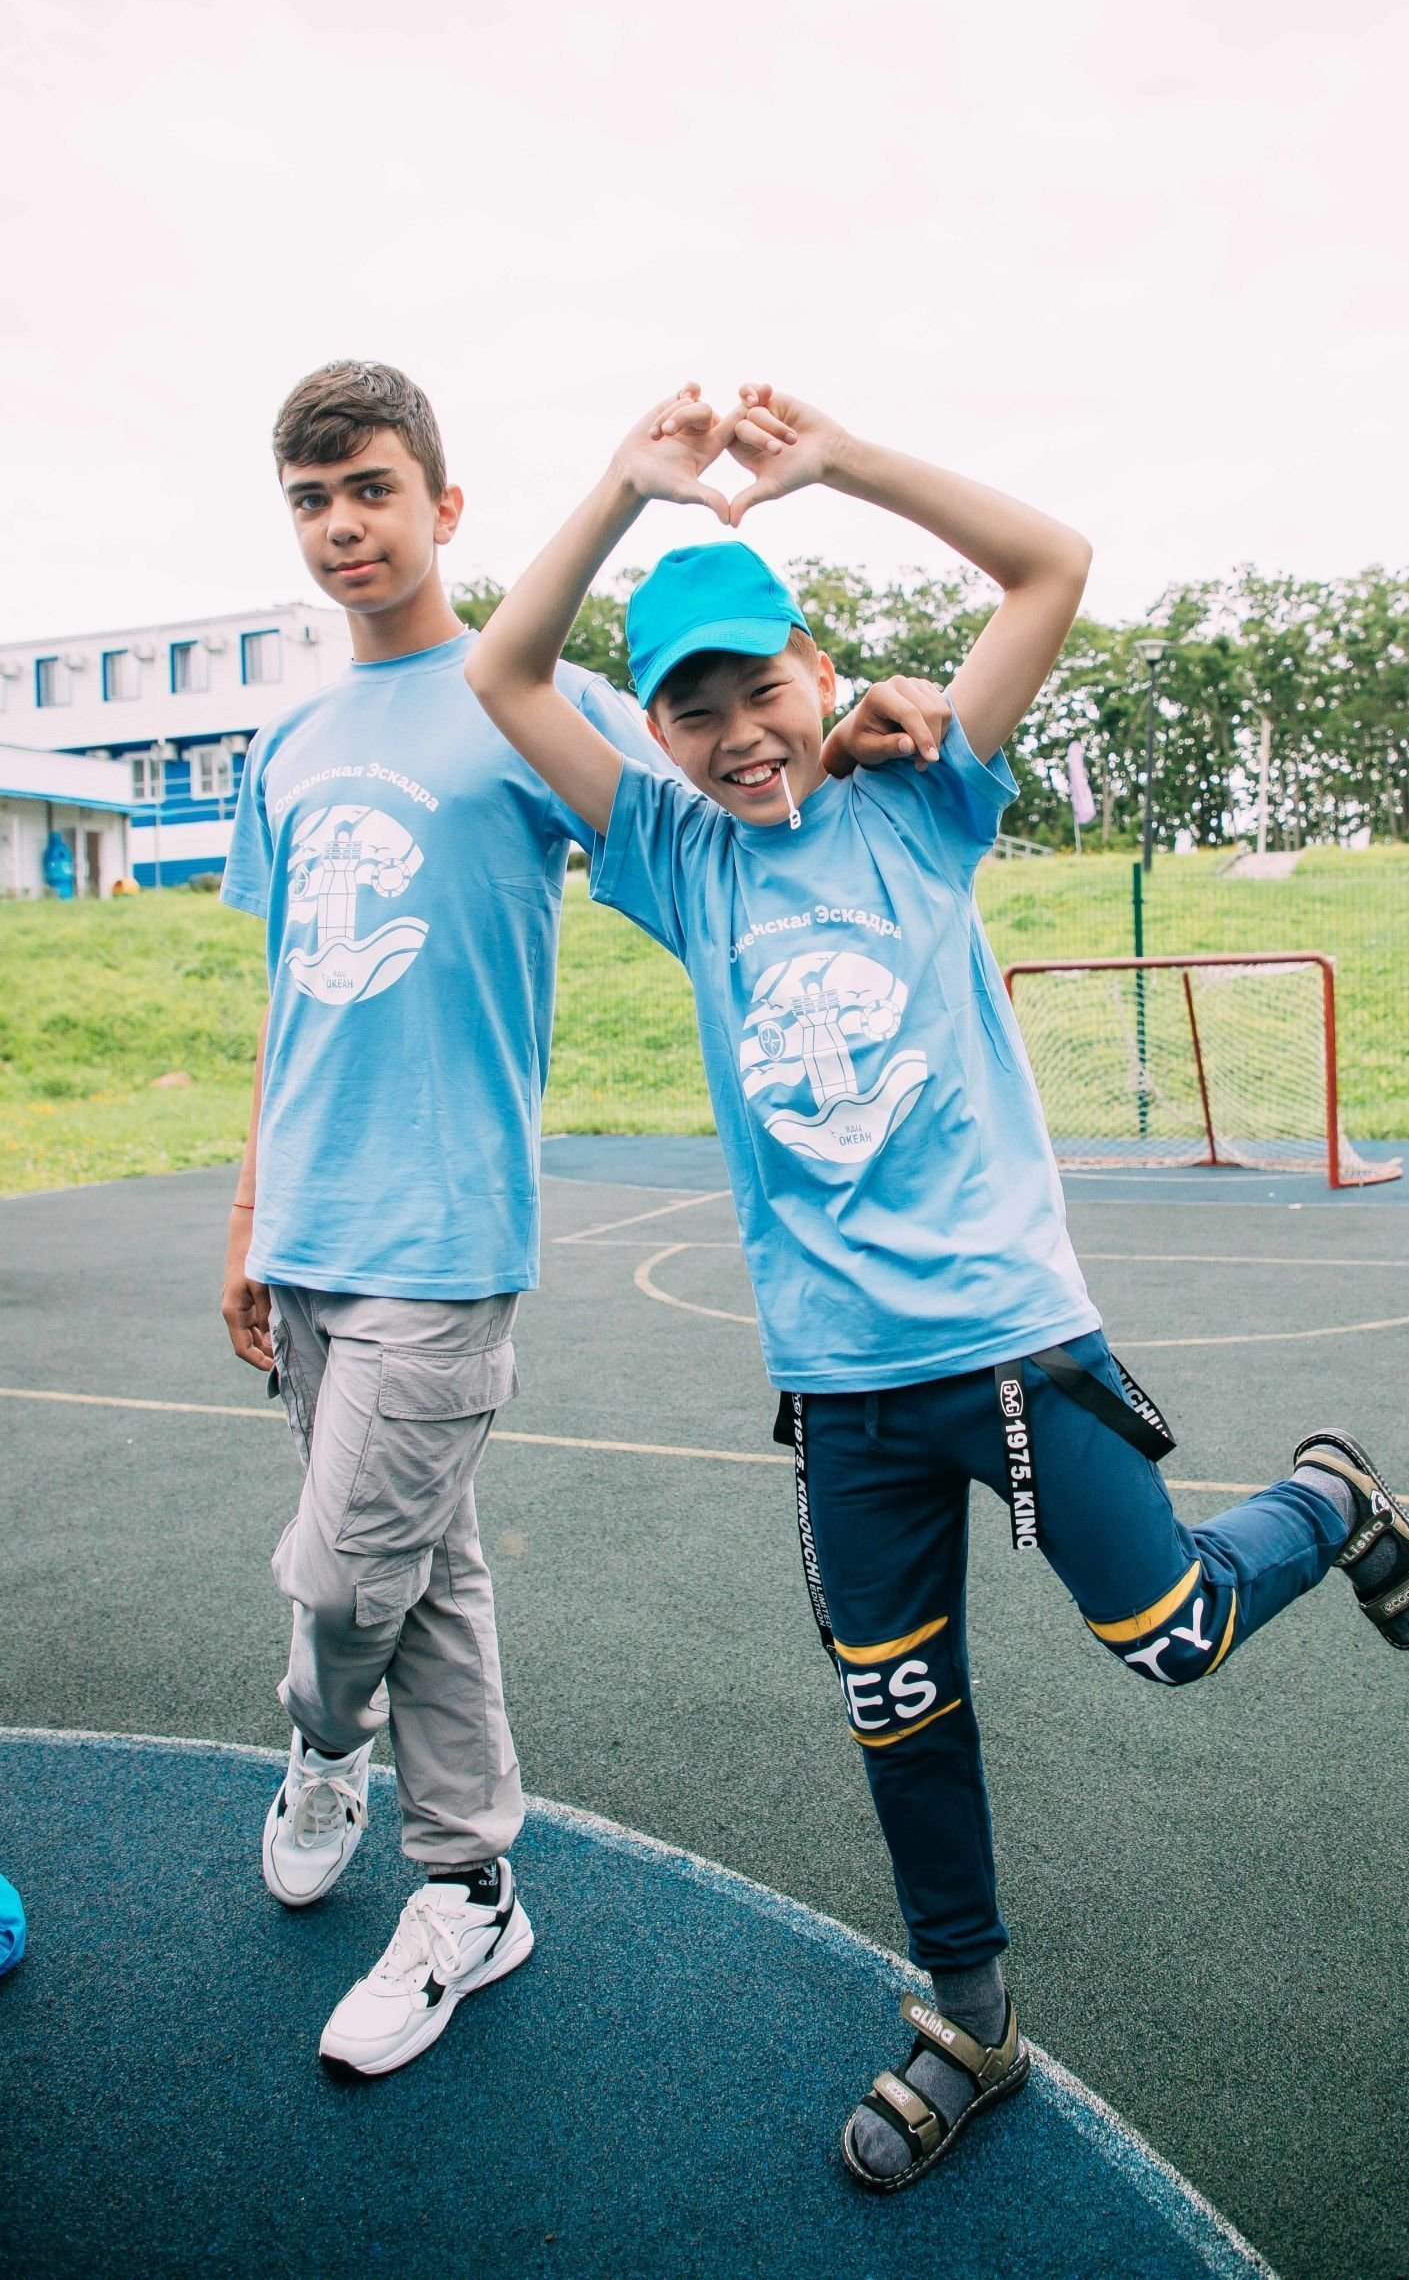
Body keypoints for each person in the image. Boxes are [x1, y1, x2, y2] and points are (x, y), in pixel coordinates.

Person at [465, 380, 1409, 2190]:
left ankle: (1329, 1494)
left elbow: (1050, 564)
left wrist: (835, 463)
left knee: (1172, 1634)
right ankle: (972, 2018)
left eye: (761, 686)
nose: (738, 732)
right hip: (843, 1393)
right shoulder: (676, 859)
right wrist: (620, 484)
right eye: (693, 708)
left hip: (1012, 1343)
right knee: (901, 1711)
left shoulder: (922, 802)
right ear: (659, 734)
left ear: (819, 669)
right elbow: (507, 673)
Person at [220, 361, 950, 2078]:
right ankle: (472, 1888)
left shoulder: (535, 700)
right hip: (306, 1229)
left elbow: (732, 795)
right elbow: (290, 996)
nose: (342, 526)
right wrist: (248, 1212)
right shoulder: (286, 743)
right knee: (425, 1574)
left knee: (345, 1587)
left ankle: (324, 1739)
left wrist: (852, 726)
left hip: (442, 1238)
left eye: (372, 490)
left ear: (443, 505)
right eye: (312, 500)